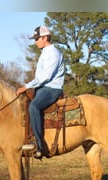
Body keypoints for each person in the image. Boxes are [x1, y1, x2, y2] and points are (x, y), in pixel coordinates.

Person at [16, 26, 65, 159]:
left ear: (45, 38)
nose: (35, 41)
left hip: (52, 89)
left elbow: (45, 77)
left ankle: (38, 145)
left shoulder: (53, 53)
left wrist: (26, 86)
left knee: (34, 106)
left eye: (37, 38)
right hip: (43, 88)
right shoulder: (45, 53)